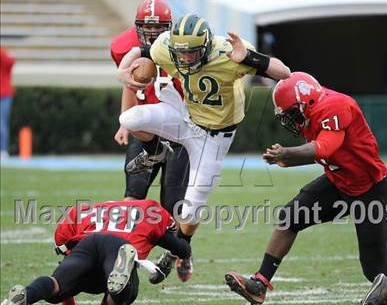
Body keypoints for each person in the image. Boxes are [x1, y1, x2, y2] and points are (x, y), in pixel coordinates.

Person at [116, 14, 291, 282]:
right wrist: (123, 71)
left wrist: (249, 58)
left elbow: (283, 72)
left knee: (191, 208)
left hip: (214, 136)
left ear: (207, 46)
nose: (185, 60)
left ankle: (178, 251)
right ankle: (155, 153)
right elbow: (138, 50)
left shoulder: (227, 52)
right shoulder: (167, 45)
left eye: (192, 53)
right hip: (185, 118)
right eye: (181, 54)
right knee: (129, 119)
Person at [224, 72, 387, 304]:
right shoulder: (311, 112)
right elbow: (327, 155)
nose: (292, 120)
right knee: (289, 217)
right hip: (339, 182)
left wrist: (289, 153)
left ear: (307, 103)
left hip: (370, 190)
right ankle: (259, 284)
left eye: (293, 113)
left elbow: (325, 147)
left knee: (377, 271)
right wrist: (288, 159)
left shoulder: (337, 106)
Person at [110, 0, 190, 284]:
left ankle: (177, 253)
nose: (154, 33)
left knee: (172, 208)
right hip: (146, 130)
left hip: (179, 132)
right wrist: (124, 120)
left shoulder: (183, 46)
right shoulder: (124, 46)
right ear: (137, 27)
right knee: (132, 195)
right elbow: (131, 84)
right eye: (147, 28)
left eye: (159, 28)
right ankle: (120, 255)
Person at [2, 199, 191, 305]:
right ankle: (122, 266)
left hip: (88, 242)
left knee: (56, 286)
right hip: (120, 248)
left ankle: (27, 293)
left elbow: (66, 256)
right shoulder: (151, 210)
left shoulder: (87, 210)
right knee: (123, 293)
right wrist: (175, 251)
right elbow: (182, 248)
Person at [0, 47, 16, 159]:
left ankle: (3, 150)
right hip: (5, 94)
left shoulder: (3, 56)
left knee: (2, 122)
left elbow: (11, 61)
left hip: (4, 94)